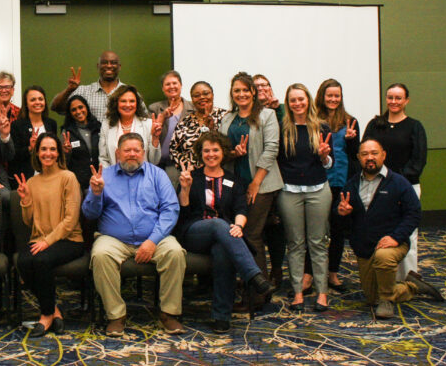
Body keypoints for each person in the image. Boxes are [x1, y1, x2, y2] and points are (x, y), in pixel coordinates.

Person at [83, 133, 185, 337]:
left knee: (175, 252)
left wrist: (152, 241)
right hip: (114, 239)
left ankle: (168, 313)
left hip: (154, 237)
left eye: (136, 150)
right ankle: (116, 316)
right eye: (127, 150)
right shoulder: (104, 176)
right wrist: (95, 194)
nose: (132, 154)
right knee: (100, 254)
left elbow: (170, 209)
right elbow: (89, 214)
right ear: (117, 153)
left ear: (143, 153)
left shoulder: (158, 175)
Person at [175, 132, 274, 333]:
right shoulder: (191, 177)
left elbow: (240, 210)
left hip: (225, 235)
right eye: (206, 151)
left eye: (215, 150)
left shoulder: (234, 180)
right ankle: (253, 274)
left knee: (223, 251)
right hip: (194, 232)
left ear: (223, 153)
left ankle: (221, 316)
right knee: (219, 224)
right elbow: (182, 213)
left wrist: (238, 226)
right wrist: (184, 189)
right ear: (200, 154)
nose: (211, 154)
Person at [336, 139, 442, 319]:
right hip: (365, 247)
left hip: (393, 242)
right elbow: (340, 219)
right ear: (358, 158)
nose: (370, 158)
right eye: (365, 154)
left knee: (383, 257)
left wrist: (395, 237)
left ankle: (387, 300)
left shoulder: (399, 182)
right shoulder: (352, 184)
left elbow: (413, 214)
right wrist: (341, 212)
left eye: (374, 153)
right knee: (371, 298)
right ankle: (412, 286)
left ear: (383, 155)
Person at [219, 72, 283, 302]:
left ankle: (257, 294)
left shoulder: (267, 115)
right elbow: (221, 151)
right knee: (240, 235)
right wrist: (233, 153)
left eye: (246, 90)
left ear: (253, 93)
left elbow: (272, 149)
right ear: (232, 94)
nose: (241, 94)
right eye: (237, 90)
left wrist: (256, 183)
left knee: (252, 235)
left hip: (263, 185)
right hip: (236, 185)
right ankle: (251, 284)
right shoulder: (228, 119)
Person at [14, 133, 84, 337]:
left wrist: (47, 241)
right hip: (41, 239)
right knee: (23, 262)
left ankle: (45, 315)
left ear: (58, 153)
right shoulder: (33, 182)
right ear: (37, 152)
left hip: (69, 240)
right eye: (44, 149)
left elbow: (71, 220)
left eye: (53, 149)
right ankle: (55, 311)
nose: (48, 153)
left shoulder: (68, 177)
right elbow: (29, 221)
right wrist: (25, 200)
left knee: (41, 261)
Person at [277, 83, 333, 312]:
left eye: (301, 99)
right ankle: (298, 292)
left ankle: (322, 293)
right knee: (296, 244)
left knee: (318, 243)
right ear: (288, 104)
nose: (297, 103)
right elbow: (277, 161)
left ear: (308, 100)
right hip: (290, 192)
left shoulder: (321, 127)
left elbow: (330, 164)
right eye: (293, 100)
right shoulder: (283, 129)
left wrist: (324, 156)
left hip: (318, 190)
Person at [363, 83, 426, 281]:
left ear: (406, 100)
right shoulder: (375, 125)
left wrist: (396, 182)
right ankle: (384, 278)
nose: (394, 101)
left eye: (398, 98)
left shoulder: (415, 126)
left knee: (407, 234)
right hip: (376, 186)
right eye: (390, 97)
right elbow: (365, 152)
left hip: (406, 188)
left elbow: (418, 160)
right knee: (382, 234)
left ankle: (408, 279)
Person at [303, 78, 361, 292]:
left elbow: (356, 154)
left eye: (337, 95)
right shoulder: (312, 120)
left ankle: (333, 273)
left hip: (342, 182)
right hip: (318, 182)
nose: (333, 99)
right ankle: (308, 275)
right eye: (330, 95)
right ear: (322, 96)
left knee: (338, 230)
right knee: (315, 230)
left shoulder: (350, 121)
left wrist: (352, 140)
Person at [252, 73, 286, 288]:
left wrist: (278, 110)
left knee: (276, 227)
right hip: (255, 176)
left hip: (278, 176)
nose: (262, 89)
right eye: (258, 86)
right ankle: (258, 273)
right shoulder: (249, 113)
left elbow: (283, 137)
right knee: (256, 229)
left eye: (266, 85)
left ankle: (276, 270)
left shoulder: (280, 110)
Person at [148, 70, 195, 185]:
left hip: (183, 166)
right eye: (167, 84)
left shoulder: (193, 108)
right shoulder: (154, 108)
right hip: (158, 164)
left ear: (181, 85)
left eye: (175, 83)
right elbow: (148, 134)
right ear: (163, 88)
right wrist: (163, 117)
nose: (172, 86)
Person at [50, 51, 125, 122]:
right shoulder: (82, 91)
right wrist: (69, 90)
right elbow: (56, 108)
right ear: (98, 66)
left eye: (113, 63)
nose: (109, 65)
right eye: (104, 63)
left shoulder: (128, 93)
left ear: (119, 67)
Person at [170, 81, 228, 172]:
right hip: (192, 176)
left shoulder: (226, 116)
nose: (201, 97)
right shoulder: (184, 123)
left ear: (212, 95)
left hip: (221, 173)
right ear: (192, 99)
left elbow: (228, 146)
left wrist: (212, 129)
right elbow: (173, 150)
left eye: (206, 93)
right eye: (196, 96)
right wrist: (187, 166)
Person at [99, 85, 162, 167]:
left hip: (142, 177)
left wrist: (155, 139)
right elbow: (103, 159)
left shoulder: (148, 124)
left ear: (137, 104)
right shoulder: (106, 125)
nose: (128, 105)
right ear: (116, 103)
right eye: (123, 101)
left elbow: (155, 161)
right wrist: (110, 178)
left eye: (132, 101)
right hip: (115, 177)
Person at [10, 86, 57, 184]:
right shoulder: (17, 125)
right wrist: (30, 148)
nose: (37, 102)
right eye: (33, 100)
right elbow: (13, 157)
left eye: (41, 99)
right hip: (27, 178)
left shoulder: (51, 124)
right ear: (26, 104)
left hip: (50, 177)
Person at [61, 95, 101, 191]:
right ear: (70, 113)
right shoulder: (66, 132)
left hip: (99, 181)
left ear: (86, 107)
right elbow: (62, 162)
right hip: (77, 185)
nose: (78, 112)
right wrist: (67, 152)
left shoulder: (99, 127)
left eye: (80, 107)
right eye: (73, 110)